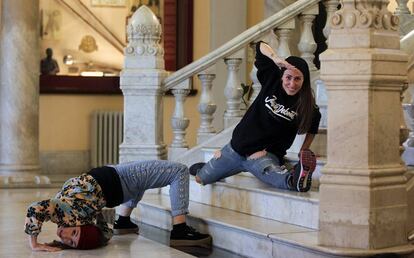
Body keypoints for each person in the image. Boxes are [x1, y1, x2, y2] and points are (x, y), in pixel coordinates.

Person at [190, 41, 321, 192]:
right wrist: (275, 58)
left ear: (304, 81)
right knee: (201, 179)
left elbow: (313, 127)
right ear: (282, 77)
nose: (292, 84)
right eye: (288, 78)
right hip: (236, 149)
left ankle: (293, 180)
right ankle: (206, 169)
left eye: (297, 79)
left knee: (272, 173)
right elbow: (260, 46)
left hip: (263, 155)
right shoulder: (272, 81)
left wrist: (303, 151)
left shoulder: (306, 105)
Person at [25, 160, 212, 251]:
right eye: (73, 238)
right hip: (121, 179)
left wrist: (37, 243)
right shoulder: (75, 217)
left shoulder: (65, 213)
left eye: (71, 237)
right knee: (178, 171)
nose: (65, 237)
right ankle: (179, 230)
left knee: (144, 181)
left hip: (117, 186)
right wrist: (36, 244)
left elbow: (36, 208)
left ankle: (123, 222)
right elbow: (35, 207)